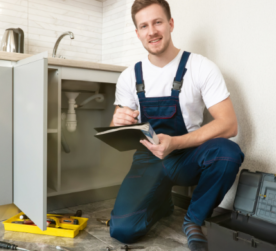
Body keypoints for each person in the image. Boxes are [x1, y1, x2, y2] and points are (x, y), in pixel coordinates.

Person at [108, 1, 244, 250]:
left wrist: (176, 143)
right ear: (137, 32)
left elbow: (229, 124)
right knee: (122, 230)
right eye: (144, 26)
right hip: (148, 159)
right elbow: (118, 130)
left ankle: (194, 220)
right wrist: (117, 120)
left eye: (157, 22)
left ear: (170, 24)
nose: (152, 31)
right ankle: (160, 204)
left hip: (187, 156)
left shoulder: (201, 67)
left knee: (228, 153)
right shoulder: (129, 76)